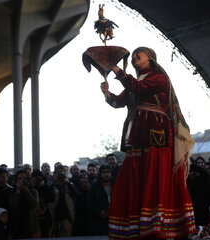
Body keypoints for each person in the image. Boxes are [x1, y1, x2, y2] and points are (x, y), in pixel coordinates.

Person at [101, 47, 195, 239]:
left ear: (150, 58)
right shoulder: (134, 83)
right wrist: (107, 94)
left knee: (155, 181)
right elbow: (119, 102)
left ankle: (158, 228)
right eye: (133, 54)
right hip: (137, 137)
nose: (134, 56)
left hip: (157, 137)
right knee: (135, 180)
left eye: (138, 54)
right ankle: (139, 227)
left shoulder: (159, 78)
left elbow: (138, 88)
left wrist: (116, 70)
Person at [87, 164, 114, 235]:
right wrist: (99, 211)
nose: (106, 174)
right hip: (100, 219)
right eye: (104, 172)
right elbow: (90, 203)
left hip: (114, 217)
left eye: (108, 172)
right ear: (100, 173)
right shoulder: (95, 186)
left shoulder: (116, 183)